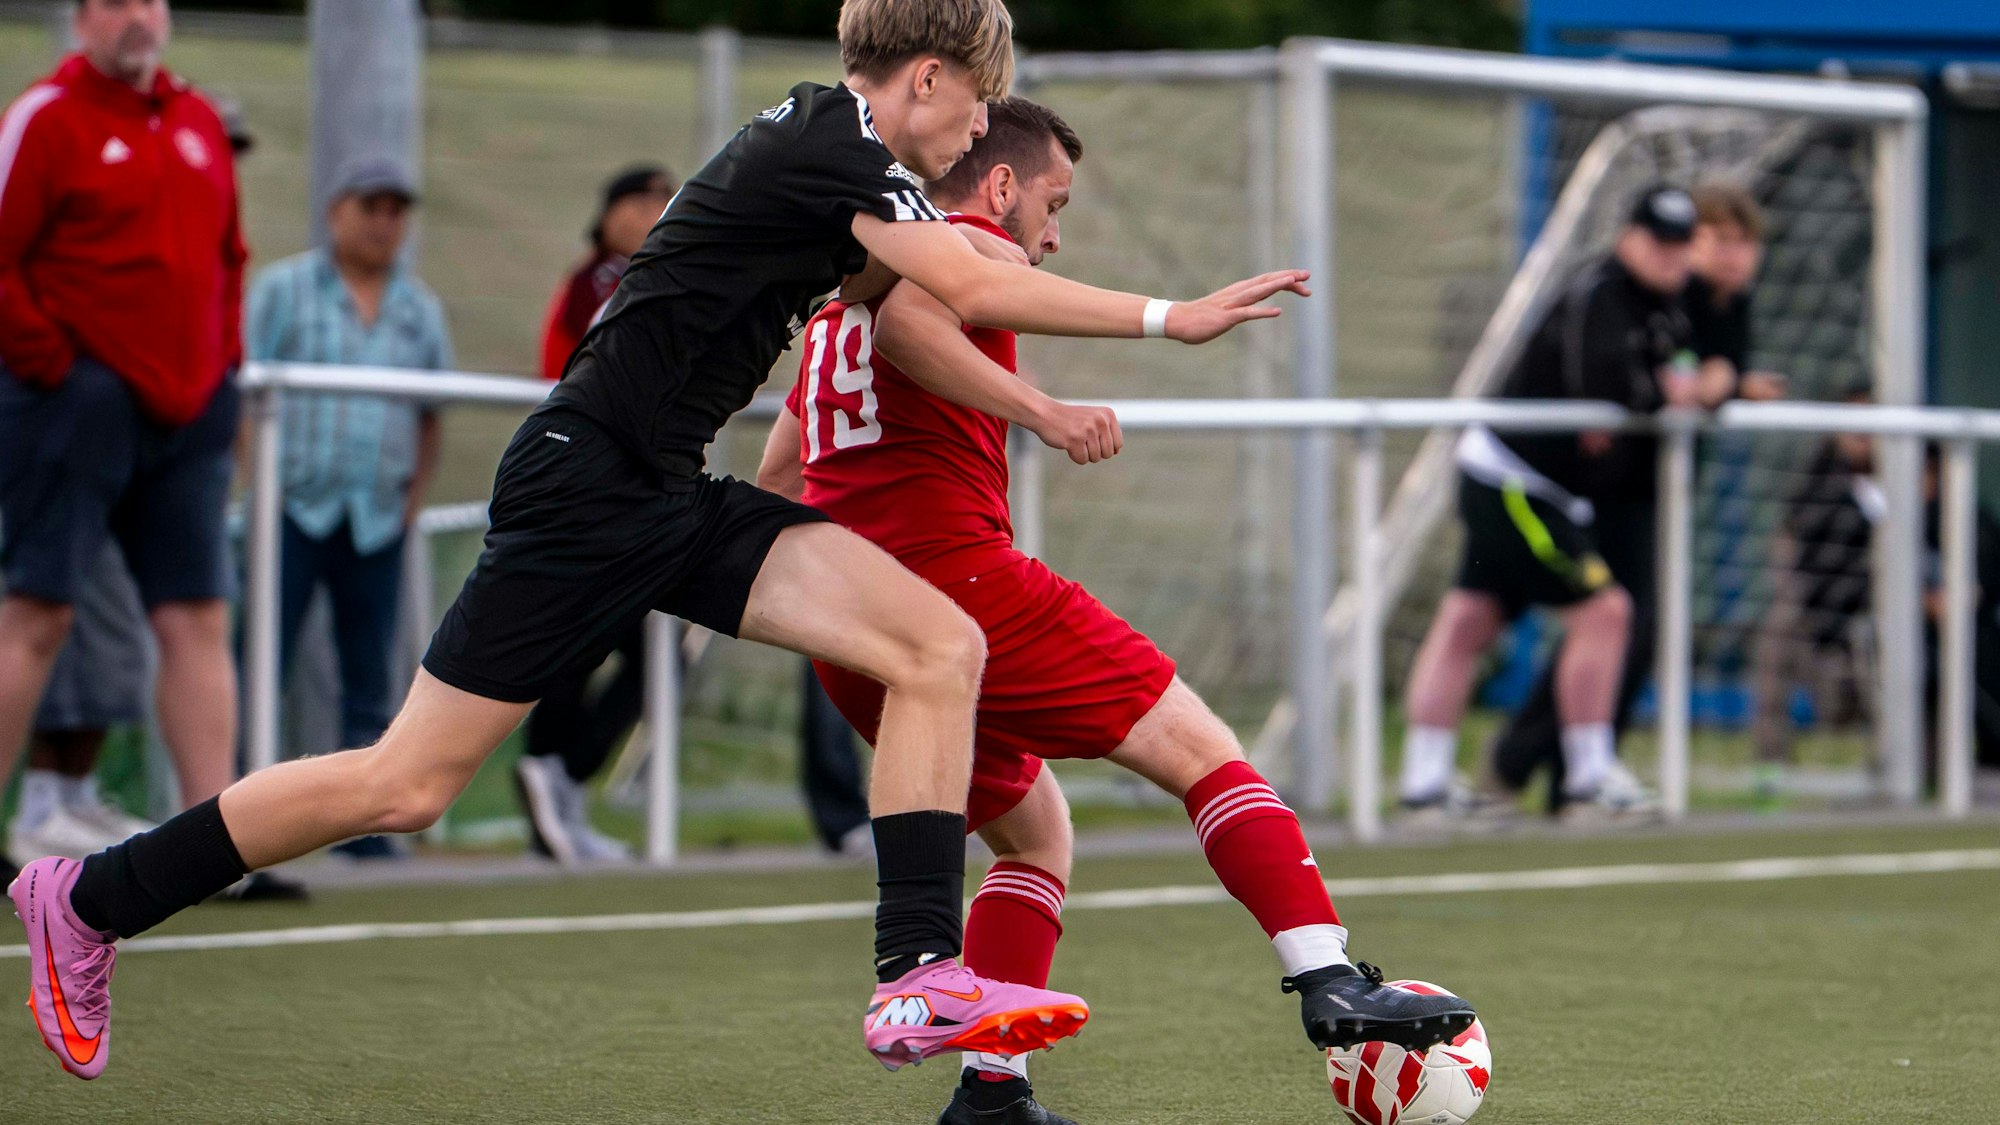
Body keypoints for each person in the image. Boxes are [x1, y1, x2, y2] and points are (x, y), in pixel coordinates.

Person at [13, 0, 1314, 1082]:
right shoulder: (833, 143)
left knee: (935, 641)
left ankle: (919, 977)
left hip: (668, 490)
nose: (980, 138)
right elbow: (965, 286)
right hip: (583, 490)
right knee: (402, 785)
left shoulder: (834, 163)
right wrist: (1170, 318)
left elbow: (904, 304)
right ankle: (89, 898)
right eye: (978, 114)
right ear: (929, 80)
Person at [760, 96, 1476, 1124]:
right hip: (959, 590)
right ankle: (1327, 977)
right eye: (1051, 203)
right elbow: (920, 325)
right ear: (998, 185)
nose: (1052, 235)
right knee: (1202, 750)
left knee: (1034, 835)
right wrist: (1051, 406)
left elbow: (785, 467)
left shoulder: (834, 308)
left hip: (856, 626)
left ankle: (992, 1095)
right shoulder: (955, 242)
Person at [0, 0, 244, 893]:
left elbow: (229, 257)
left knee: (197, 617)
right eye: (113, 1)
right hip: (77, 402)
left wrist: (224, 364)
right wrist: (58, 368)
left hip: (190, 410)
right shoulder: (46, 118)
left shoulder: (196, 121)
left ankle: (219, 850)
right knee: (39, 612)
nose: (136, 16)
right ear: (80, 19)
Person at [1397, 186, 1717, 823]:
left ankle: (1424, 782)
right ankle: (1587, 779)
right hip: (1517, 482)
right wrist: (1666, 394)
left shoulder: (1668, 308)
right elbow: (1613, 391)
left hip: (1540, 487)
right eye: (1660, 242)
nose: (1671, 258)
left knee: (1469, 620)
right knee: (1605, 612)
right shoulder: (1597, 293)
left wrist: (1670, 390)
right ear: (1629, 237)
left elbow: (1650, 391)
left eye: (1682, 245)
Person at [245, 157, 454, 861]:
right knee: (259, 667)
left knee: (371, 676)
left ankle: (362, 831)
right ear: (336, 210)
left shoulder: (419, 307)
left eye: (396, 210)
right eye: (371, 206)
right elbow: (247, 391)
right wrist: (257, 482)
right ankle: (241, 823)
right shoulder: (284, 290)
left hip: (375, 515)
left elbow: (431, 415)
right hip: (291, 510)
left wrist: (410, 501)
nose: (383, 223)